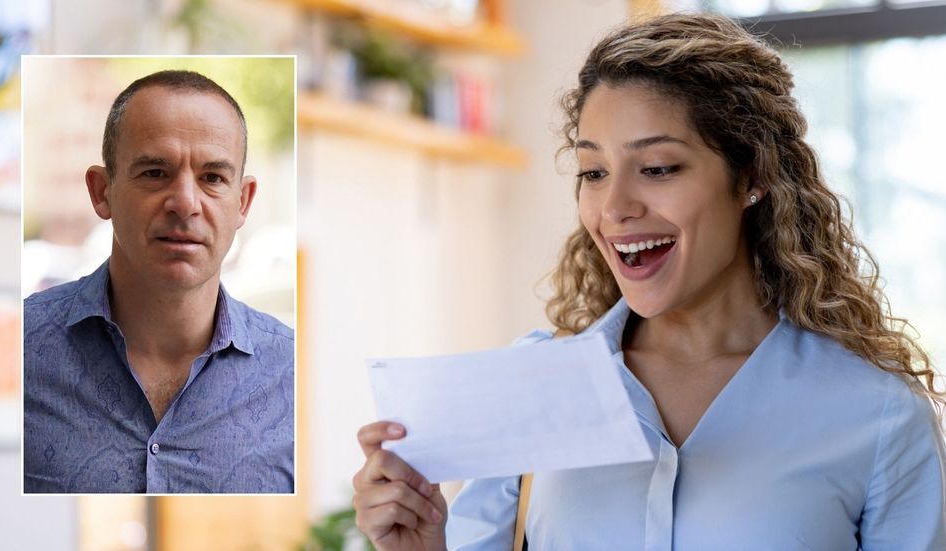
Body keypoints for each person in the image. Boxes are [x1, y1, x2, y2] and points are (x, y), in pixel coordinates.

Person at [352, 13, 946, 549]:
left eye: (658, 168)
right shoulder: (535, 384)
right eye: (593, 171)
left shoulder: (877, 415)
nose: (614, 207)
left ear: (752, 177)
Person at [24, 70, 294, 493]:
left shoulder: (294, 375)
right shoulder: (16, 353)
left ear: (243, 202)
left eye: (213, 178)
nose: (186, 203)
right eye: (154, 172)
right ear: (102, 191)